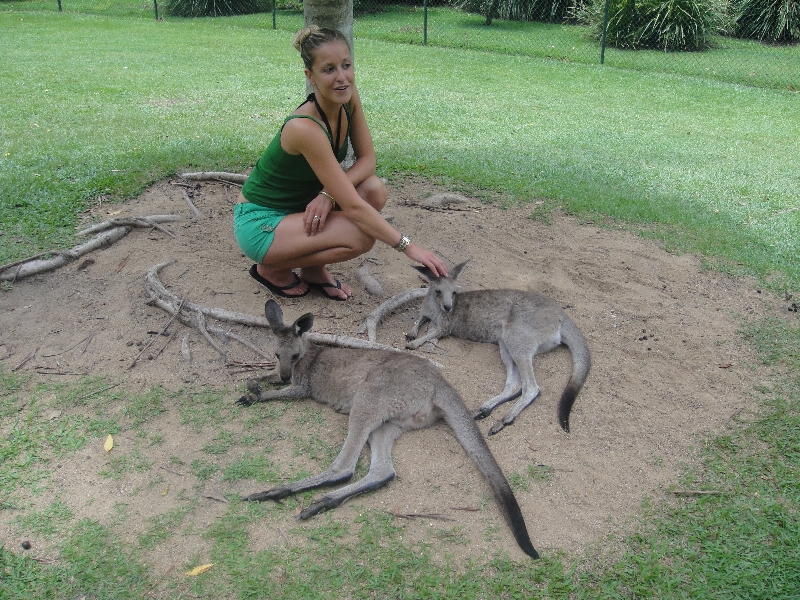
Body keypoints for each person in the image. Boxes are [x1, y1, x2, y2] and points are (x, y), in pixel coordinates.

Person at [234, 26, 448, 301]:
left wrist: (327, 194)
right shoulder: (304, 128)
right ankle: (272, 269)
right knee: (360, 236)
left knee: (373, 189)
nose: (342, 78)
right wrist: (408, 247)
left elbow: (368, 160)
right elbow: (354, 208)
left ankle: (313, 270)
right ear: (310, 77)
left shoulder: (347, 98)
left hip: (301, 209)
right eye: (329, 69)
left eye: (346, 65)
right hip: (262, 222)